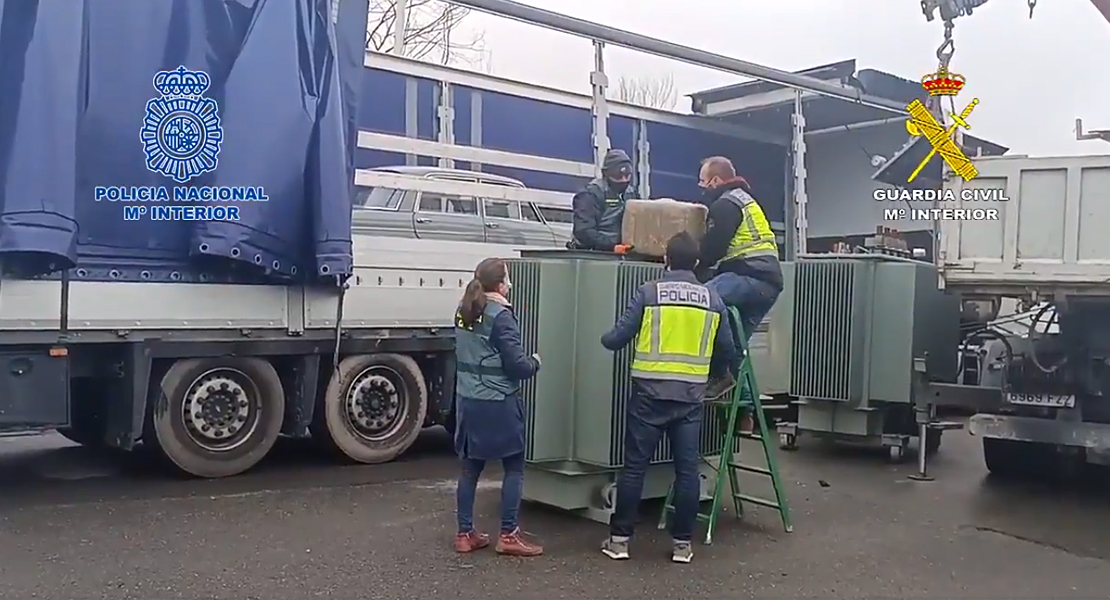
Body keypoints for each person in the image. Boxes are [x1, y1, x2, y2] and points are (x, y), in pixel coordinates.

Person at [598, 232, 737, 564]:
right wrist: (711, 374)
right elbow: (728, 350)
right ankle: (682, 545)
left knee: (634, 469)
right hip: (689, 397)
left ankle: (620, 541)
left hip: (648, 395)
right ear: (698, 263)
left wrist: (605, 337)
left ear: (666, 259)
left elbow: (616, 338)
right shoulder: (713, 299)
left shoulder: (649, 293)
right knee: (687, 471)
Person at [453, 257, 544, 557]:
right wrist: (535, 363)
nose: (510, 284)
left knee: (470, 468)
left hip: (468, 400)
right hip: (498, 402)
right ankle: (508, 534)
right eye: (508, 278)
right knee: (514, 466)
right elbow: (516, 366)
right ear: (501, 284)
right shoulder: (501, 316)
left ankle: (465, 534)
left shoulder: (464, 310)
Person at [695, 156, 784, 400]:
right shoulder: (744, 200)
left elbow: (714, 248)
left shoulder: (725, 204)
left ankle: (719, 374)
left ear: (715, 180)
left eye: (703, 181)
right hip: (768, 284)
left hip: (748, 275)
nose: (701, 186)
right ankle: (745, 408)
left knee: (701, 300)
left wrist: (690, 266)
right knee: (735, 344)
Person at [568, 148, 636, 253]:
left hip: (625, 251)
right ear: (606, 174)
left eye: (627, 175)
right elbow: (583, 232)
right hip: (593, 255)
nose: (623, 180)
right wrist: (611, 247)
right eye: (618, 176)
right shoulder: (590, 195)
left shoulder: (631, 194)